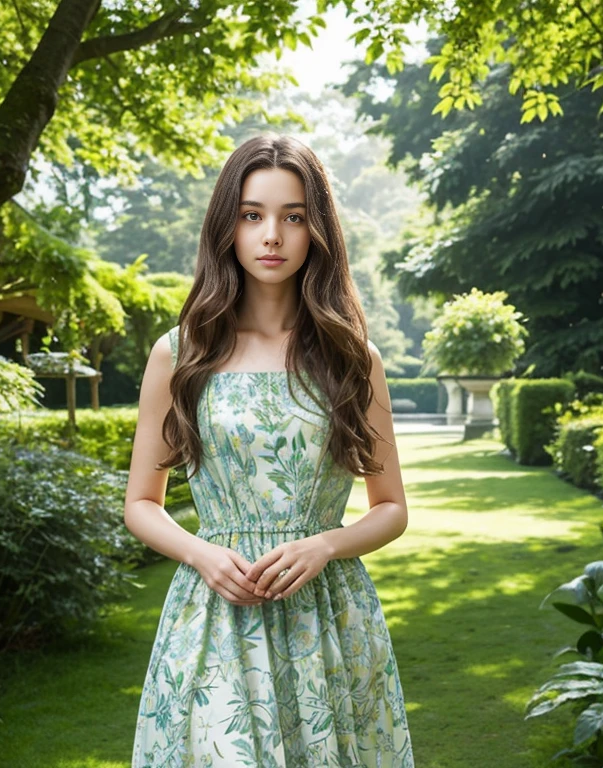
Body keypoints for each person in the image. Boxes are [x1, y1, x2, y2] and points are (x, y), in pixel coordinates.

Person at [124, 132, 414, 767]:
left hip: (329, 622)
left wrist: (327, 543)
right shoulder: (181, 353)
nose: (272, 236)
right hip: (213, 617)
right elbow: (142, 504)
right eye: (253, 215)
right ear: (228, 225)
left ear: (319, 232)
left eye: (294, 217)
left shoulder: (352, 358)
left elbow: (391, 506)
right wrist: (202, 555)